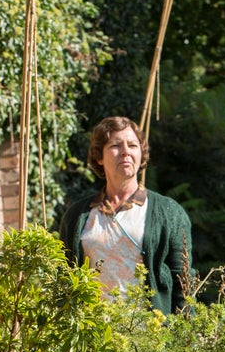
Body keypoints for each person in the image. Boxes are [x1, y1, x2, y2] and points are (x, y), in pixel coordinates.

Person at [59, 116, 192, 315]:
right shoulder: (78, 216)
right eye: (115, 145)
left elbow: (184, 282)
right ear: (99, 157)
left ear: (141, 154)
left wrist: (187, 338)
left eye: (132, 145)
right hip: (94, 336)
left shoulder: (169, 213)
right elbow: (65, 279)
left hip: (150, 338)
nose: (125, 152)